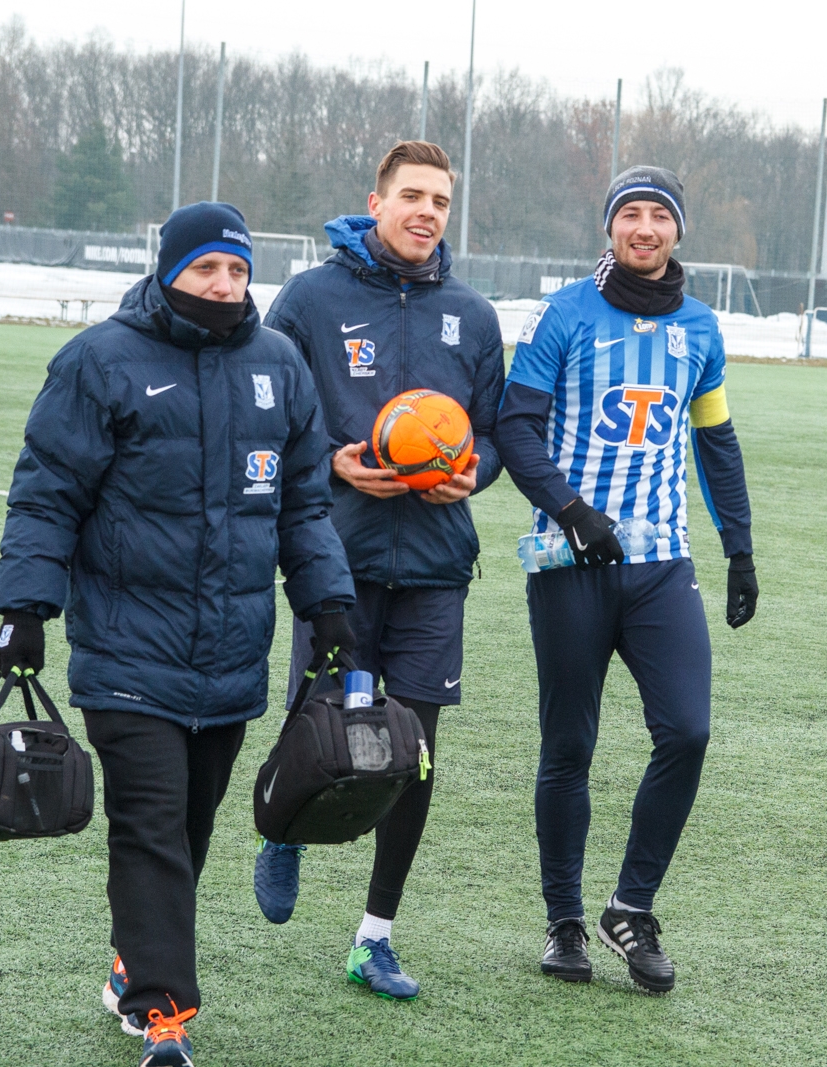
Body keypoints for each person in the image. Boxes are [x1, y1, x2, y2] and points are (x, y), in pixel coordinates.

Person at [0, 201, 355, 1066]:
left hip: (231, 655)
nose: (224, 286)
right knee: (150, 821)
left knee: (190, 825)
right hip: (125, 651)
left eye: (237, 270)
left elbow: (304, 506)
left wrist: (330, 605)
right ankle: (164, 1015)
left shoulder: (280, 366)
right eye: (206, 270)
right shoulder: (98, 361)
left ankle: (130, 965)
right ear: (168, 272)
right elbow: (48, 492)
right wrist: (24, 609)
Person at [495, 165, 758, 994]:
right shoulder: (566, 312)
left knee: (688, 731)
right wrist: (572, 511)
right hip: (570, 564)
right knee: (569, 744)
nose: (644, 229)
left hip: (660, 570)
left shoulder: (703, 327)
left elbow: (715, 442)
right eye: (630, 215)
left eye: (659, 216)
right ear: (609, 228)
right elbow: (514, 425)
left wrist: (741, 549)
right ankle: (564, 919)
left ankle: (629, 907)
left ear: (678, 231)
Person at [255, 140, 505, 1001]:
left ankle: (375, 936)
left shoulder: (472, 316)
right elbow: (267, 406)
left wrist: (481, 471)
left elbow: (497, 431)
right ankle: (284, 831)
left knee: (414, 754)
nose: (427, 212)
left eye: (440, 199)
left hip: (437, 564)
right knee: (322, 721)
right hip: (337, 557)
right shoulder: (311, 300)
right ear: (377, 201)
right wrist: (330, 461)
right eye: (412, 196)